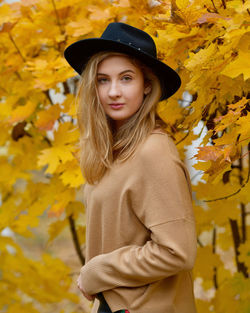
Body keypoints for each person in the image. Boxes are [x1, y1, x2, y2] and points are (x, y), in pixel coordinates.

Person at [64, 22, 197, 313]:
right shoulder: (114, 152)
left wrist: (96, 272)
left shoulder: (153, 151)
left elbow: (177, 252)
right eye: (103, 80)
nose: (113, 91)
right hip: (118, 304)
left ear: (146, 84)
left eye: (126, 78)